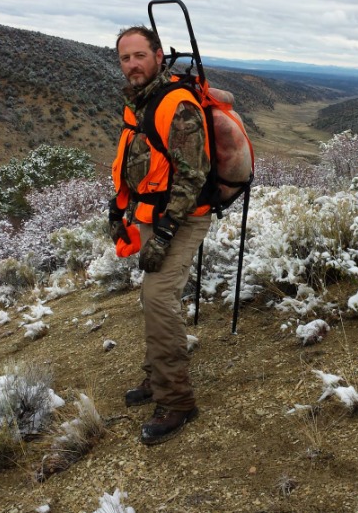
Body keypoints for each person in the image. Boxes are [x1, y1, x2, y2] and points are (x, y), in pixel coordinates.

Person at [109, 25, 212, 445]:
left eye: (139, 56)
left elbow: (193, 175)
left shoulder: (176, 104)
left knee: (157, 297)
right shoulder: (140, 102)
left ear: (157, 55)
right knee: (151, 296)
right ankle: (157, 379)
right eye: (124, 58)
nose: (132, 65)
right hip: (153, 215)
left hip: (184, 218)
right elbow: (133, 160)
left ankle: (178, 401)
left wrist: (166, 233)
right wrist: (118, 213)